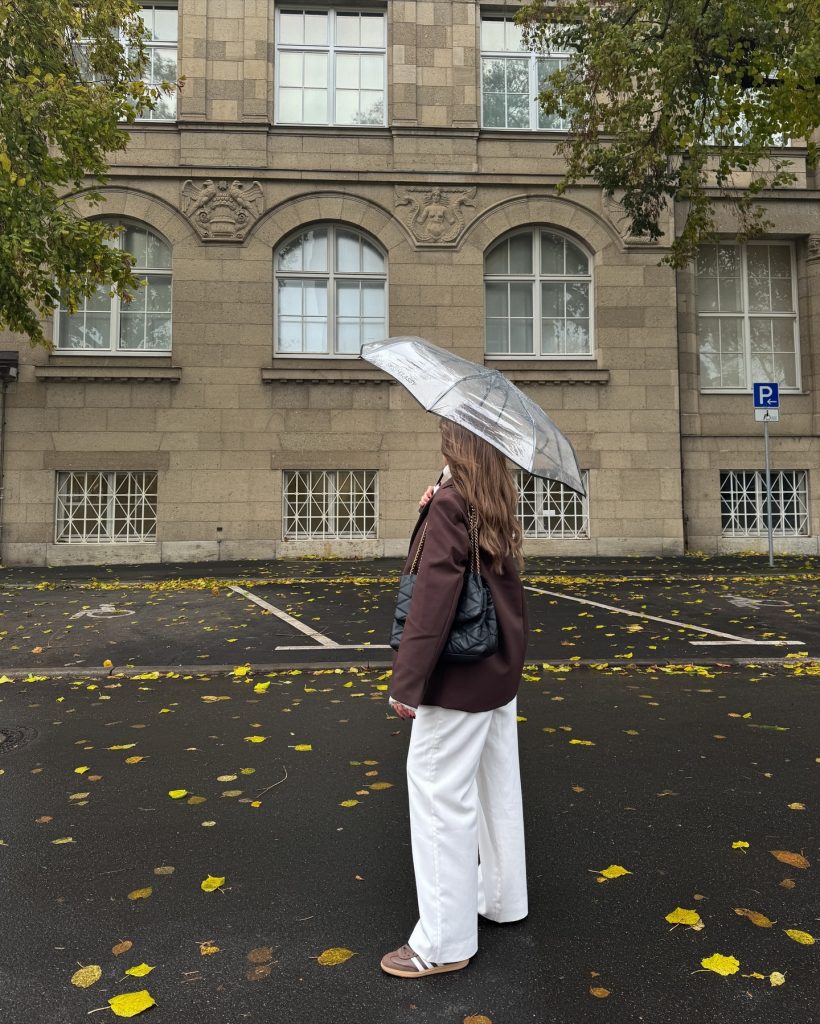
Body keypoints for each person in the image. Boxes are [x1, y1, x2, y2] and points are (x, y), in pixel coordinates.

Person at [380, 418, 529, 979]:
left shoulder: (451, 502)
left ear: (457, 443)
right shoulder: (489, 498)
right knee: (495, 789)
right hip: (496, 671)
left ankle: (442, 943)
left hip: (460, 676)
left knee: (440, 797)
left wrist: (407, 680)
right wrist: (433, 502)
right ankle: (503, 898)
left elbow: (435, 596)